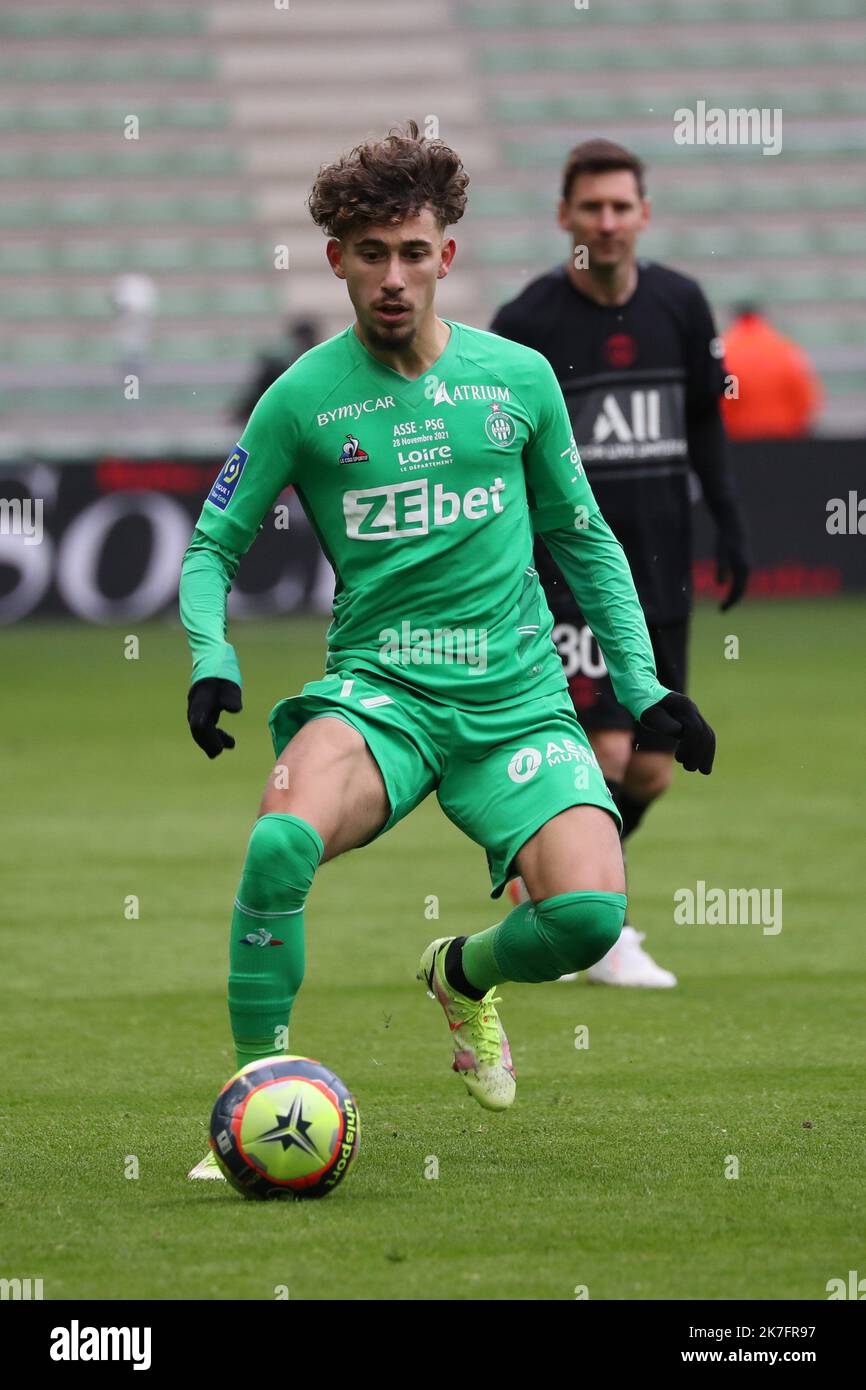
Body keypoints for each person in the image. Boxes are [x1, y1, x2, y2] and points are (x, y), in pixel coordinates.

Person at [178, 122, 715, 1179]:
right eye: (369, 253)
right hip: (381, 696)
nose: (391, 276)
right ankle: (254, 1093)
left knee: (588, 916)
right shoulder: (300, 398)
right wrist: (210, 656)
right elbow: (211, 544)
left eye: (411, 252)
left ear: (445, 257)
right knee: (277, 845)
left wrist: (645, 686)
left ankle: (461, 973)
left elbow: (584, 538)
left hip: (515, 696)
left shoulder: (514, 378)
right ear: (334, 258)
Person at [491, 138, 748, 988]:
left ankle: (553, 903)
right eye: (590, 207)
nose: (606, 222)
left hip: (662, 569)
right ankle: (593, 926)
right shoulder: (528, 323)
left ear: (644, 213)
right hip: (568, 576)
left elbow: (706, 421)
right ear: (564, 216)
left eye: (620, 206)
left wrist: (729, 521)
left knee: (651, 767)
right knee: (600, 751)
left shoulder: (681, 302)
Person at [720, 303, 822, 439]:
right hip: (784, 434)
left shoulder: (727, 350)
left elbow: (727, 396)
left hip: (740, 437)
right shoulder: (784, 348)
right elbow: (803, 393)